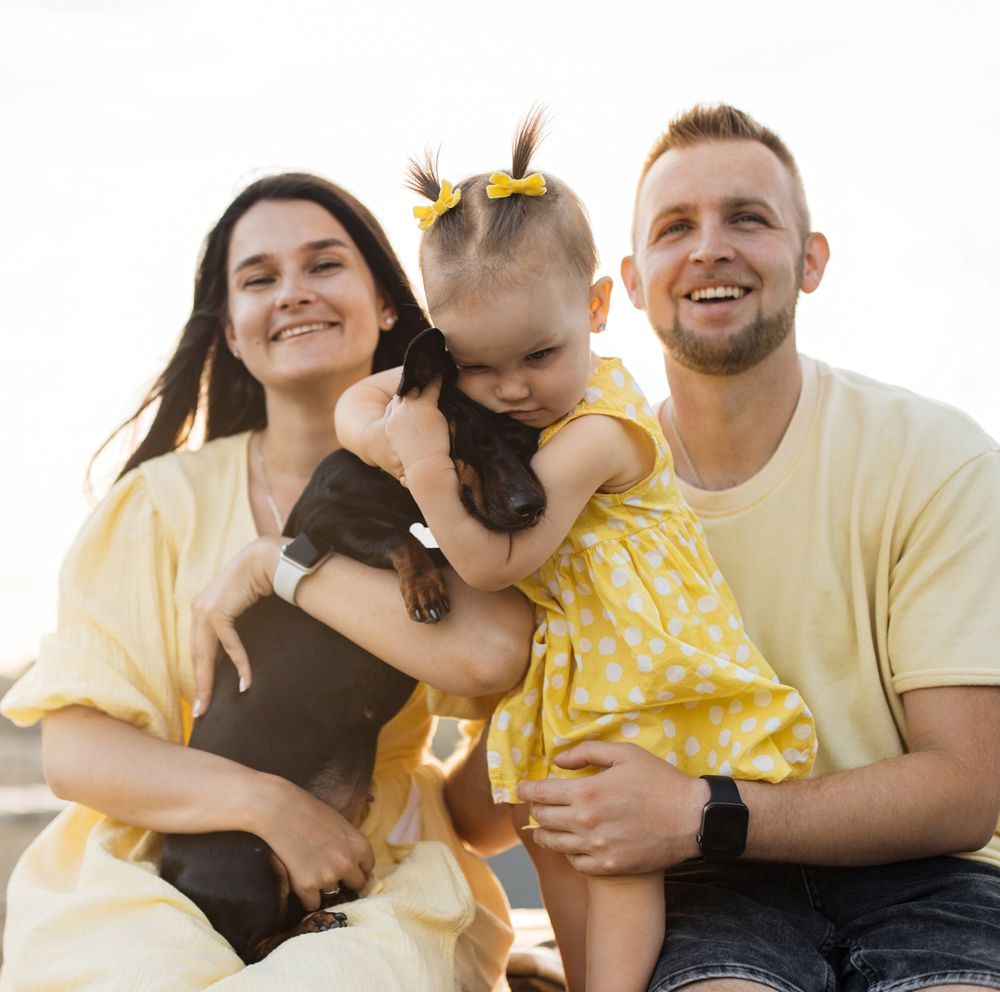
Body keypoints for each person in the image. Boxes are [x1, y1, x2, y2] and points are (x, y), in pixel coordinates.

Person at [0, 173, 536, 991]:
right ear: (232, 333)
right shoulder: (155, 505)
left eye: (324, 265)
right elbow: (74, 751)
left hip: (385, 866)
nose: (292, 294)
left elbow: (487, 728)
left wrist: (274, 565)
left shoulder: (463, 490)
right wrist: (271, 808)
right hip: (167, 862)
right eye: (259, 278)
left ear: (387, 303)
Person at [514, 105, 1000, 991]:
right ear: (628, 282)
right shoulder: (576, 498)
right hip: (711, 890)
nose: (708, 249)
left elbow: (967, 789)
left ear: (810, 260)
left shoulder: (936, 455)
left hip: (936, 884)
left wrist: (702, 811)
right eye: (674, 229)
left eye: (748, 218)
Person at [333, 114, 816, 992]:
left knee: (616, 856)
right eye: (478, 367)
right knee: (552, 837)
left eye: (539, 353)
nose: (512, 385)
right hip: (571, 672)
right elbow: (356, 406)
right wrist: (398, 417)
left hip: (639, 674)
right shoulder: (513, 398)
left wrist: (424, 459)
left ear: (596, 309)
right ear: (443, 348)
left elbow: (493, 563)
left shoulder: (599, 427)